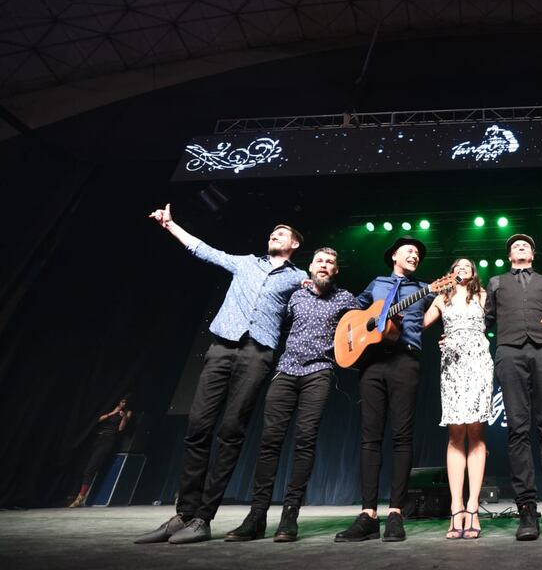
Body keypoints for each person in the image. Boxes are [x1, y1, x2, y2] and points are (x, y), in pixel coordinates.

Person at [136, 204, 306, 544]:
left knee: (231, 430)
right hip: (222, 347)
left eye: (283, 232)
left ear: (295, 244)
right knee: (198, 426)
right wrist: (171, 225)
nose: (275, 233)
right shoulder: (245, 262)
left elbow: (319, 292)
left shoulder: (295, 278)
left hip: (258, 353)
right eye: (273, 231)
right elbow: (203, 250)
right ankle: (184, 513)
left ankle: (203, 517)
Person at [225, 247, 356, 542]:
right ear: (310, 267)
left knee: (305, 442)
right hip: (285, 371)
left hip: (319, 372)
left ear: (335, 271)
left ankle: (289, 517)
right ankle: (256, 517)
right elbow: (272, 321)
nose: (324, 265)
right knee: (270, 442)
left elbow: (361, 327)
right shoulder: (295, 295)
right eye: (320, 261)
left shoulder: (346, 299)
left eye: (330, 263)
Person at [335, 236, 435, 544]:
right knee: (370, 439)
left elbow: (451, 305)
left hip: (405, 360)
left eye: (418, 253)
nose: (414, 255)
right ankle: (368, 515)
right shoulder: (376, 283)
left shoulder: (425, 288)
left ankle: (395, 513)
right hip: (372, 362)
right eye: (409, 251)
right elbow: (353, 309)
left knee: (402, 437)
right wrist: (360, 324)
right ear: (394, 256)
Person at [484, 234, 542, 541]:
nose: (520, 247)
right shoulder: (496, 283)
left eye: (525, 245)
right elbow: (485, 319)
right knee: (518, 429)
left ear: (532, 254)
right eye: (515, 245)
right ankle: (526, 511)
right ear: (509, 254)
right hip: (509, 352)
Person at [423, 258, 493, 540]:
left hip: (479, 361)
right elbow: (420, 323)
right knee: (455, 434)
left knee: (475, 432)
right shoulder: (441, 297)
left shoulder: (484, 295)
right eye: (457, 265)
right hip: (452, 363)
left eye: (467, 265)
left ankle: (473, 508)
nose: (462, 268)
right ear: (450, 273)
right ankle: (456, 507)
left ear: (474, 272)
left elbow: (506, 317)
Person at [68, 395, 133, 508]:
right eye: (122, 401)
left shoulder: (128, 412)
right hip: (97, 437)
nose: (123, 404)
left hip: (108, 439)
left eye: (125, 402)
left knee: (91, 468)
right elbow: (98, 420)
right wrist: (112, 413)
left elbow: (121, 429)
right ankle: (73, 494)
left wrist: (123, 418)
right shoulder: (112, 408)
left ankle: (80, 498)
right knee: (82, 466)